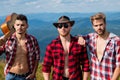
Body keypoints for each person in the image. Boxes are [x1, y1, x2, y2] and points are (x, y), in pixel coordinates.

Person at [42, 16, 90, 80]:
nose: (63, 28)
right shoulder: (51, 46)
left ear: (70, 27)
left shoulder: (79, 44)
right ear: (57, 28)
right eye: (60, 26)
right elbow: (46, 67)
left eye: (66, 25)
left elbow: (85, 64)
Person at [78, 12, 120, 80]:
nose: (99, 28)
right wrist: (79, 37)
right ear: (93, 26)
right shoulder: (91, 38)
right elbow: (76, 38)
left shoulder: (116, 41)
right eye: (96, 25)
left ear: (105, 24)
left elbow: (119, 66)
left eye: (101, 25)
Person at [0, 14, 40, 80]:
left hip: (26, 76)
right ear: (14, 26)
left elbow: (37, 57)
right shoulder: (7, 39)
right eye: (17, 25)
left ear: (27, 26)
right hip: (11, 75)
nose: (20, 27)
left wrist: (33, 73)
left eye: (22, 25)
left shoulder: (33, 40)